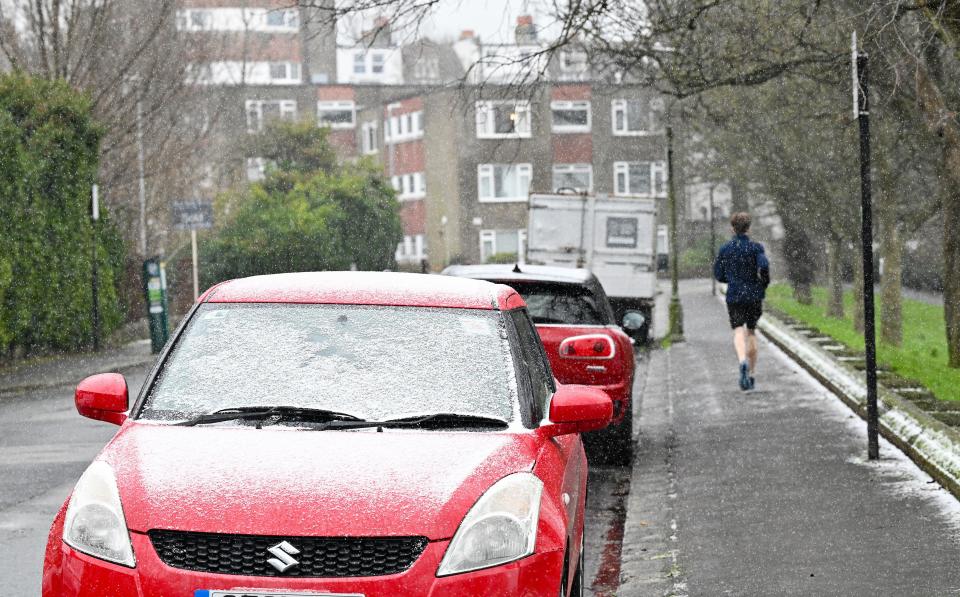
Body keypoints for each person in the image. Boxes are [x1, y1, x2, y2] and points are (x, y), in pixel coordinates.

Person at [713, 212, 770, 390]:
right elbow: (764, 267)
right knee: (751, 332)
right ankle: (751, 374)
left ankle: (742, 360)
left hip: (735, 294)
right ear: (749, 228)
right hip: (753, 294)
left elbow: (718, 273)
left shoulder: (725, 249)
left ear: (732, 228)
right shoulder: (756, 248)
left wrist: (729, 279)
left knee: (738, 330)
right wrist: (762, 284)